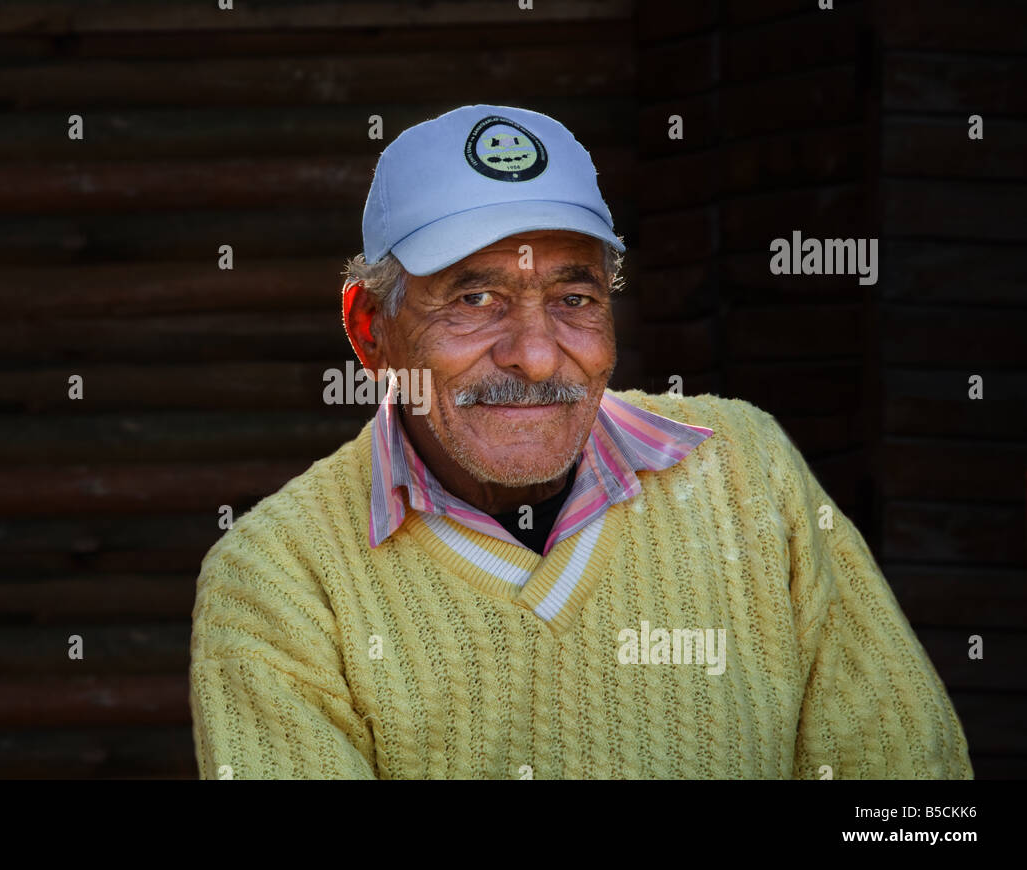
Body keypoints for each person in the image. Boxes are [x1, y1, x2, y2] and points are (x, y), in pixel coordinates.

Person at [188, 104, 973, 779]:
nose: (534, 355)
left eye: (573, 297)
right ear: (371, 330)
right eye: (474, 297)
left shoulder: (746, 468)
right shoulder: (279, 579)